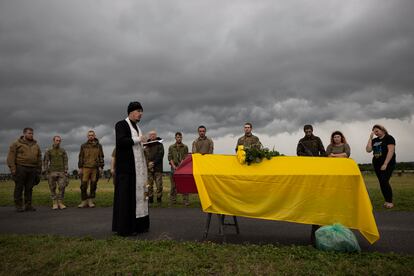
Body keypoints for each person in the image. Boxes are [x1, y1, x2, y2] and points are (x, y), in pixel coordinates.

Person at [112, 101, 149, 236]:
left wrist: (145, 143)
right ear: (131, 112)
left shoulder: (138, 128)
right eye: (138, 111)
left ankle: (139, 226)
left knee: (139, 197)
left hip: (138, 170)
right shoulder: (121, 124)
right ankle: (125, 228)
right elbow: (121, 141)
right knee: (126, 198)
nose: (141, 114)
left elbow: (137, 144)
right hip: (127, 170)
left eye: (141, 111)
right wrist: (139, 139)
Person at [296, 124, 325, 245]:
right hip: (307, 166)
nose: (308, 131)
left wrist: (318, 158)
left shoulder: (317, 139)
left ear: (312, 130)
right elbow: (298, 153)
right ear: (304, 131)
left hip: (317, 165)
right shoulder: (301, 141)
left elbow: (323, 151)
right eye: (306, 130)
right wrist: (307, 156)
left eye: (309, 130)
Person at [7, 127, 42, 212]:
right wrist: (13, 169)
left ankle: (28, 205)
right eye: (29, 133)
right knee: (19, 187)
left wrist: (38, 170)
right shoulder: (16, 143)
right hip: (20, 167)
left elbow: (39, 158)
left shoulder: (36, 145)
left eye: (32, 133)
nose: (31, 135)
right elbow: (10, 158)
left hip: (33, 168)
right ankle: (19, 205)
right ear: (24, 134)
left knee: (29, 188)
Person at [366, 124, 396, 209]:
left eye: (377, 131)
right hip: (377, 164)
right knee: (382, 182)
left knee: (384, 180)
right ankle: (386, 201)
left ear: (382, 130)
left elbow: (391, 151)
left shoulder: (389, 138)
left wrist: (385, 163)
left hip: (388, 163)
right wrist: (370, 138)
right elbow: (368, 150)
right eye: (374, 132)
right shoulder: (374, 140)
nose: (376, 133)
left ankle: (389, 201)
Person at [77, 130, 104, 208]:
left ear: (94, 136)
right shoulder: (83, 146)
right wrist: (80, 167)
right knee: (83, 186)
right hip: (85, 168)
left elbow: (101, 156)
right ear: (87, 136)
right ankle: (84, 201)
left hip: (95, 168)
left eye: (92, 135)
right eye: (89, 135)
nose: (90, 136)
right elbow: (80, 157)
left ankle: (90, 201)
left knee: (93, 185)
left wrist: (101, 167)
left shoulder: (99, 146)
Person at [43, 135, 69, 210]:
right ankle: (54, 202)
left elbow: (66, 160)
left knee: (62, 186)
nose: (58, 142)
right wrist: (45, 171)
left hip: (61, 172)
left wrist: (66, 169)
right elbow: (45, 161)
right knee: (52, 188)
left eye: (59, 140)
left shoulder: (63, 150)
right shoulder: (49, 150)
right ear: (53, 141)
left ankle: (60, 202)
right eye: (57, 140)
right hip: (52, 172)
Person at [168, 132, 189, 206]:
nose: (179, 138)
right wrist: (174, 166)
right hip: (174, 167)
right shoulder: (171, 147)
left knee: (184, 184)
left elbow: (185, 157)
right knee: (173, 185)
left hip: (182, 168)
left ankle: (185, 201)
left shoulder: (185, 147)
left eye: (180, 137)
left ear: (182, 138)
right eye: (177, 137)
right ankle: (172, 201)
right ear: (175, 138)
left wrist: (181, 165)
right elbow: (170, 157)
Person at [144, 130, 164, 204]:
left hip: (158, 168)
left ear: (156, 136)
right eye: (151, 135)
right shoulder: (146, 145)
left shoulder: (160, 144)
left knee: (159, 185)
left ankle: (159, 199)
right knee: (149, 185)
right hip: (148, 168)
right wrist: (148, 164)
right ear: (149, 136)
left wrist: (153, 163)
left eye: (153, 135)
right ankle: (150, 198)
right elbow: (144, 155)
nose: (152, 136)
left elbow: (161, 154)